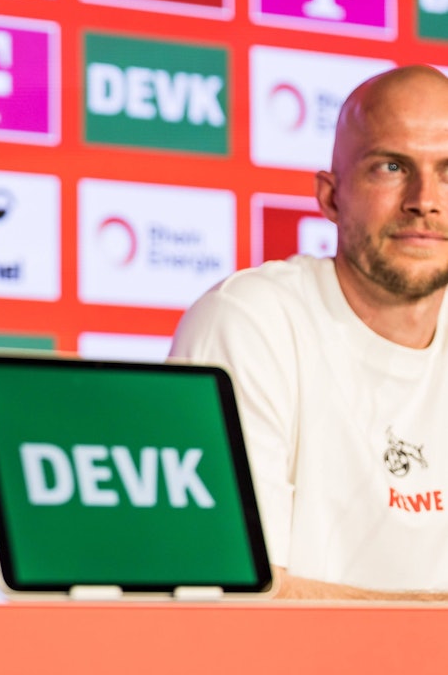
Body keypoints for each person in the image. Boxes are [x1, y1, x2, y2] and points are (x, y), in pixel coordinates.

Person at [170, 64, 448, 599]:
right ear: (330, 197)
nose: (424, 200)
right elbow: (230, 592)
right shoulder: (248, 323)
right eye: (392, 167)